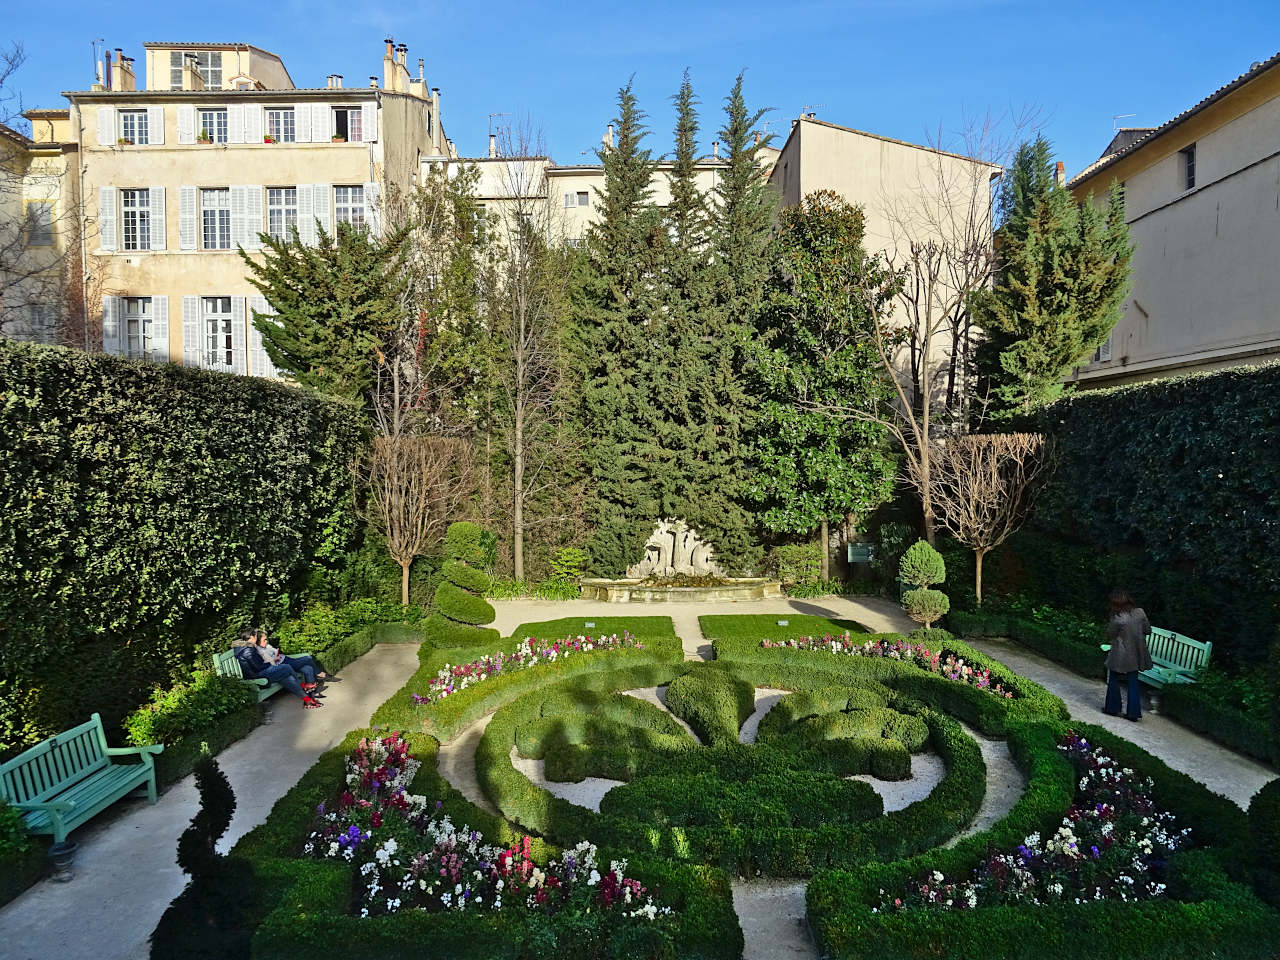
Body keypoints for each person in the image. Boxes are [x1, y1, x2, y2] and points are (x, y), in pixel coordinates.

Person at [232, 629, 322, 709]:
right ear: (251, 637)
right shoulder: (247, 650)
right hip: (257, 676)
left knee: (286, 677)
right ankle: (302, 685)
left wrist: (272, 666)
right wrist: (273, 666)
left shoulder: (246, 648)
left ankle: (307, 700)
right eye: (255, 636)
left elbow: (258, 665)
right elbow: (258, 667)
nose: (256, 638)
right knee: (285, 667)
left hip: (259, 672)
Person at [1103, 589, 1153, 722]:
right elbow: (1148, 630)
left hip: (1120, 653)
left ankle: (1112, 708)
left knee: (1114, 678)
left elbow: (1110, 634)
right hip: (1136, 653)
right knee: (1133, 682)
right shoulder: (1140, 612)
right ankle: (1133, 713)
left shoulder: (1117, 618)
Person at [252, 628, 338, 692]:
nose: (266, 641)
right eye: (264, 640)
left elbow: (275, 652)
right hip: (284, 665)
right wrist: (275, 659)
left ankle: (313, 691)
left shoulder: (267, 646)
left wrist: (276, 654)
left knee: (308, 668)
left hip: (286, 659)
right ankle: (321, 674)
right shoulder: (261, 652)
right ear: (258, 642)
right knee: (308, 658)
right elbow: (272, 665)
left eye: (266, 639)